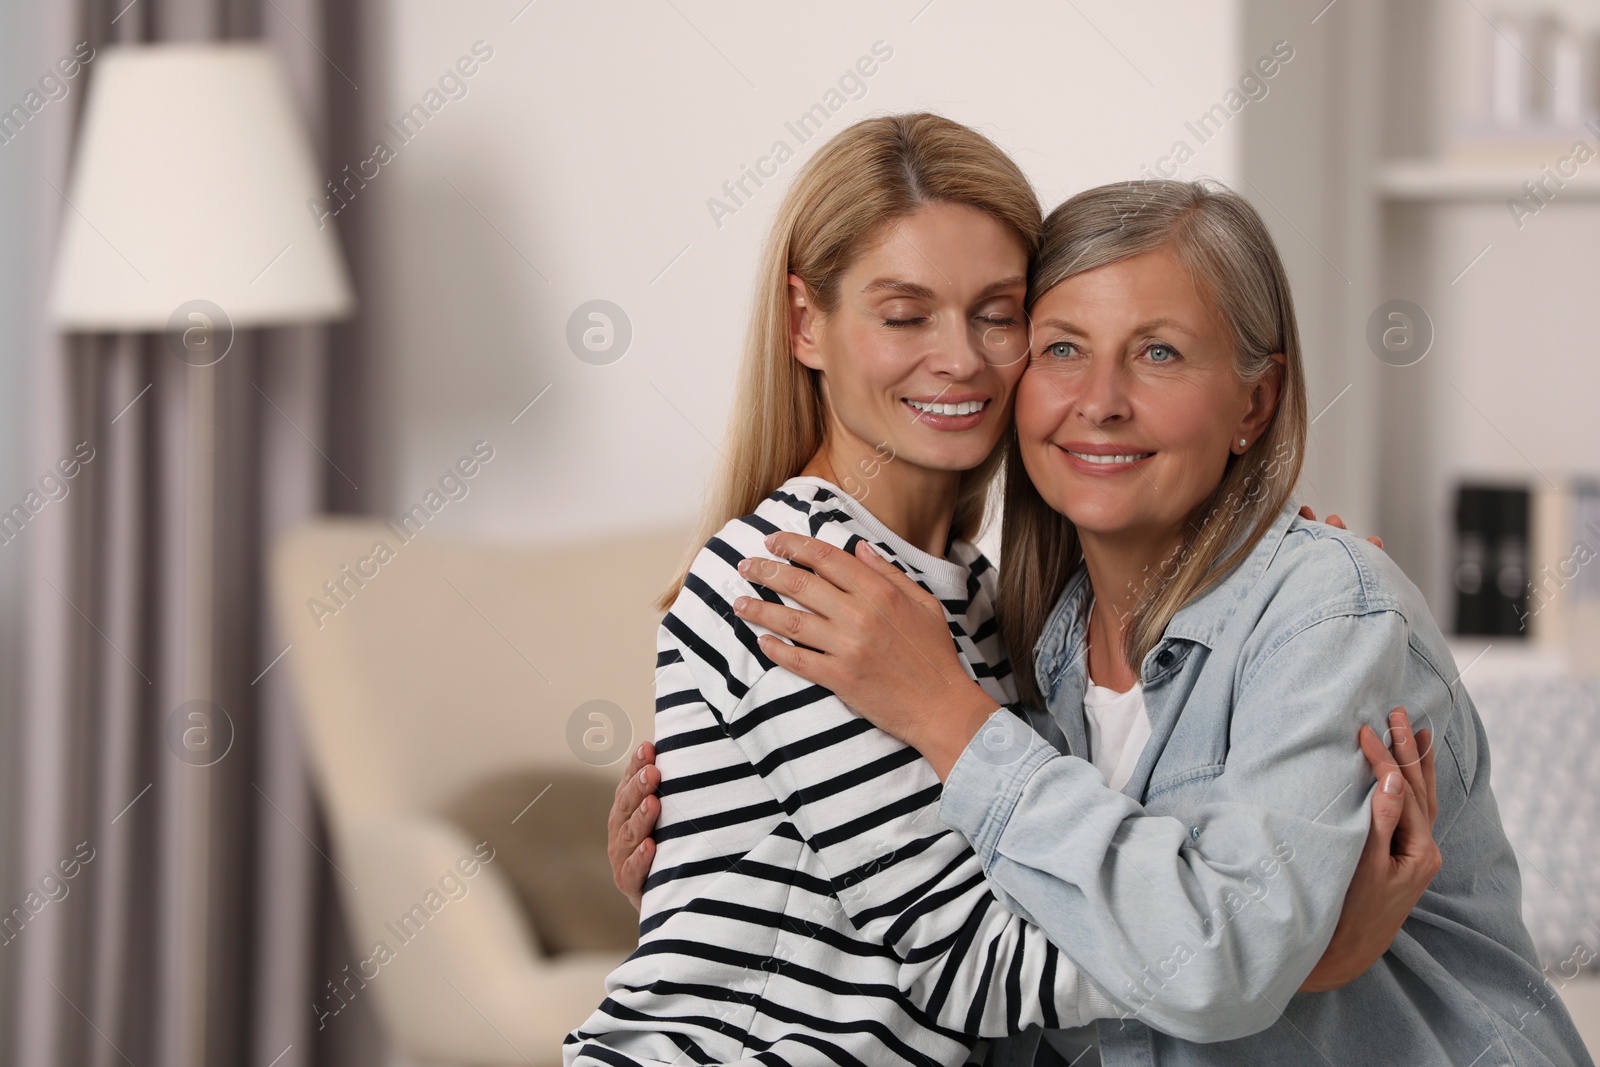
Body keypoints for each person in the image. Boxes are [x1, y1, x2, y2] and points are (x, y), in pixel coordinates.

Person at [577, 117, 1437, 1067]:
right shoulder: (805, 578)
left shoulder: (988, 605)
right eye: (905, 315)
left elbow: (1020, 872)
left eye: (998, 315)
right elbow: (974, 961)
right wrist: (1291, 955)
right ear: (804, 323)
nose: (960, 358)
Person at [687, 178, 1593, 1065]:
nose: (1102, 399)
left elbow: (1212, 962)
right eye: (1062, 348)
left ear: (1255, 402)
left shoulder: (1325, 612)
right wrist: (711, 839)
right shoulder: (1021, 635)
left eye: (1159, 352)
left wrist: (950, 717)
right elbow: (951, 930)